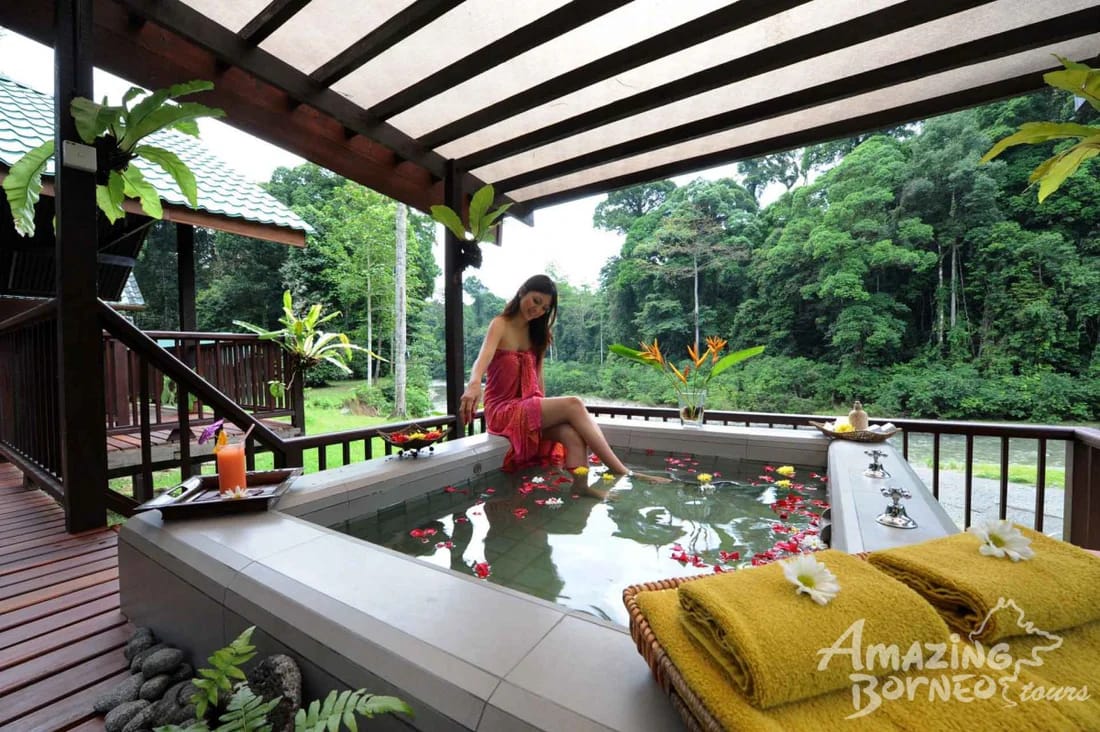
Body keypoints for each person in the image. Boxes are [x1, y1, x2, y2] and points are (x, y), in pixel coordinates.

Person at [459, 274, 637, 477]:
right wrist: (474, 383)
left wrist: (542, 413)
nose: (537, 310)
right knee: (574, 403)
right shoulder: (500, 324)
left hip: (527, 408)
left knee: (571, 435)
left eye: (544, 308)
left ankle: (582, 489)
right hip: (501, 411)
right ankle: (622, 471)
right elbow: (482, 358)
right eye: (536, 301)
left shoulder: (539, 334)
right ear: (522, 291)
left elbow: (538, 379)